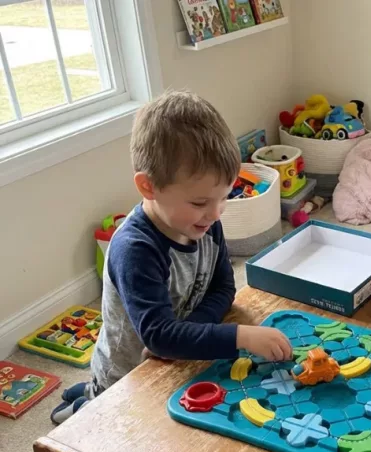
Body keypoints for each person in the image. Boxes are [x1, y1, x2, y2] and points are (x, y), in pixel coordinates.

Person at [52, 89, 291, 423]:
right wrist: (240, 337)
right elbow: (159, 336)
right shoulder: (135, 249)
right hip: (126, 377)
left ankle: (86, 390)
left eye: (224, 197)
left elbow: (223, 288)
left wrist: (186, 332)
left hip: (174, 353)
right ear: (148, 187)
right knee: (114, 426)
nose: (216, 213)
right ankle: (87, 399)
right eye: (199, 202)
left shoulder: (205, 222)